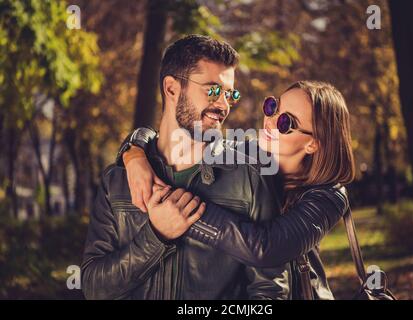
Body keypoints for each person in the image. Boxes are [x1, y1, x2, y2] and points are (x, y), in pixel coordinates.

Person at [81, 34, 291, 300]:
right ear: (171, 89)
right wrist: (156, 237)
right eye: (213, 90)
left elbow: (270, 293)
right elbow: (93, 288)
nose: (224, 106)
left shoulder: (249, 177)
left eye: (230, 94)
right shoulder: (117, 182)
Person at [117, 80, 355, 299]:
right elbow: (160, 137)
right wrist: (134, 153)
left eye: (286, 123)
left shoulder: (328, 197)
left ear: (313, 143)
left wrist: (177, 208)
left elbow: (265, 247)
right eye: (273, 107)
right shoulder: (245, 158)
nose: (271, 121)